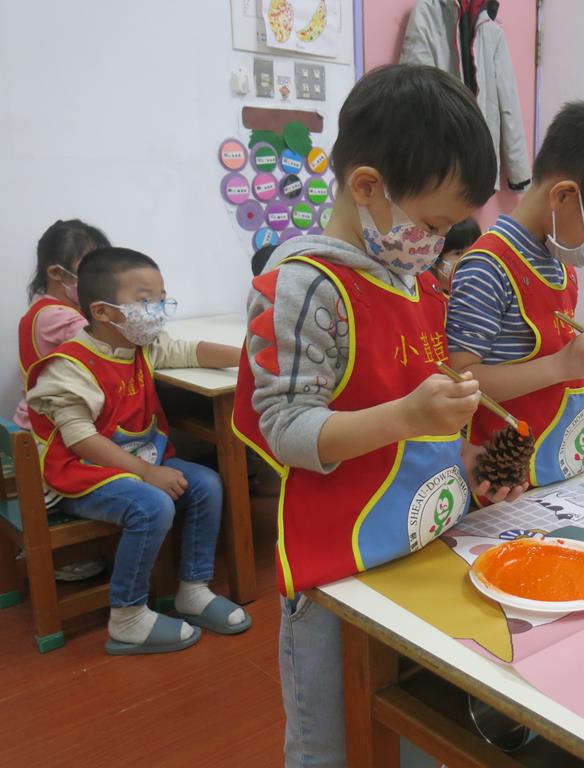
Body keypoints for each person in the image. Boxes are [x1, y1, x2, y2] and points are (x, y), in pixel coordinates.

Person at [231, 64, 525, 767]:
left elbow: (416, 420)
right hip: (339, 574)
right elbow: (286, 430)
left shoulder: (414, 281)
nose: (438, 241)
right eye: (433, 223)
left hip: (421, 550)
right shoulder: (304, 284)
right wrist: (406, 416)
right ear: (367, 187)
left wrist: (470, 463)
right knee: (330, 745)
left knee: (409, 731)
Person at [26, 247, 250, 655]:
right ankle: (127, 615)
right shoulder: (71, 366)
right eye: (146, 302)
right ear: (103, 311)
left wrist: (248, 361)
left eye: (162, 299)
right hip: (82, 475)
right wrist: (146, 474)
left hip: (136, 464)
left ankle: (193, 589)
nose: (159, 311)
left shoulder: (140, 346)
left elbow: (188, 350)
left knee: (207, 483)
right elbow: (80, 439)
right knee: (152, 506)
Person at [446, 101, 584, 492]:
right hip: (504, 487)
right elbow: (461, 380)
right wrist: (561, 364)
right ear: (564, 196)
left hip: (558, 472)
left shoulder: (560, 266)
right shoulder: (488, 267)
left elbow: (563, 378)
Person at [14, 220, 110, 581]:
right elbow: (111, 340)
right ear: (57, 273)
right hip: (47, 436)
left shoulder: (40, 308)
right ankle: (66, 551)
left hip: (34, 425)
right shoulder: (59, 317)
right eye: (91, 269)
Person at [430, 216, 480, 294]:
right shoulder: (423, 294)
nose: (466, 259)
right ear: (434, 258)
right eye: (458, 253)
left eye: (472, 252)